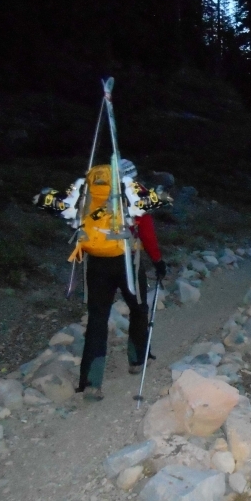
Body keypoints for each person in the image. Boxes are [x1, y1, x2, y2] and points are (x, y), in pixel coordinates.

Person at [77, 159, 167, 401]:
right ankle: (138, 359)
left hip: (96, 262)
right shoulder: (137, 195)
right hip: (127, 261)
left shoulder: (92, 192)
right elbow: (146, 232)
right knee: (138, 308)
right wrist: (157, 261)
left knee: (97, 318)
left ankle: (90, 382)